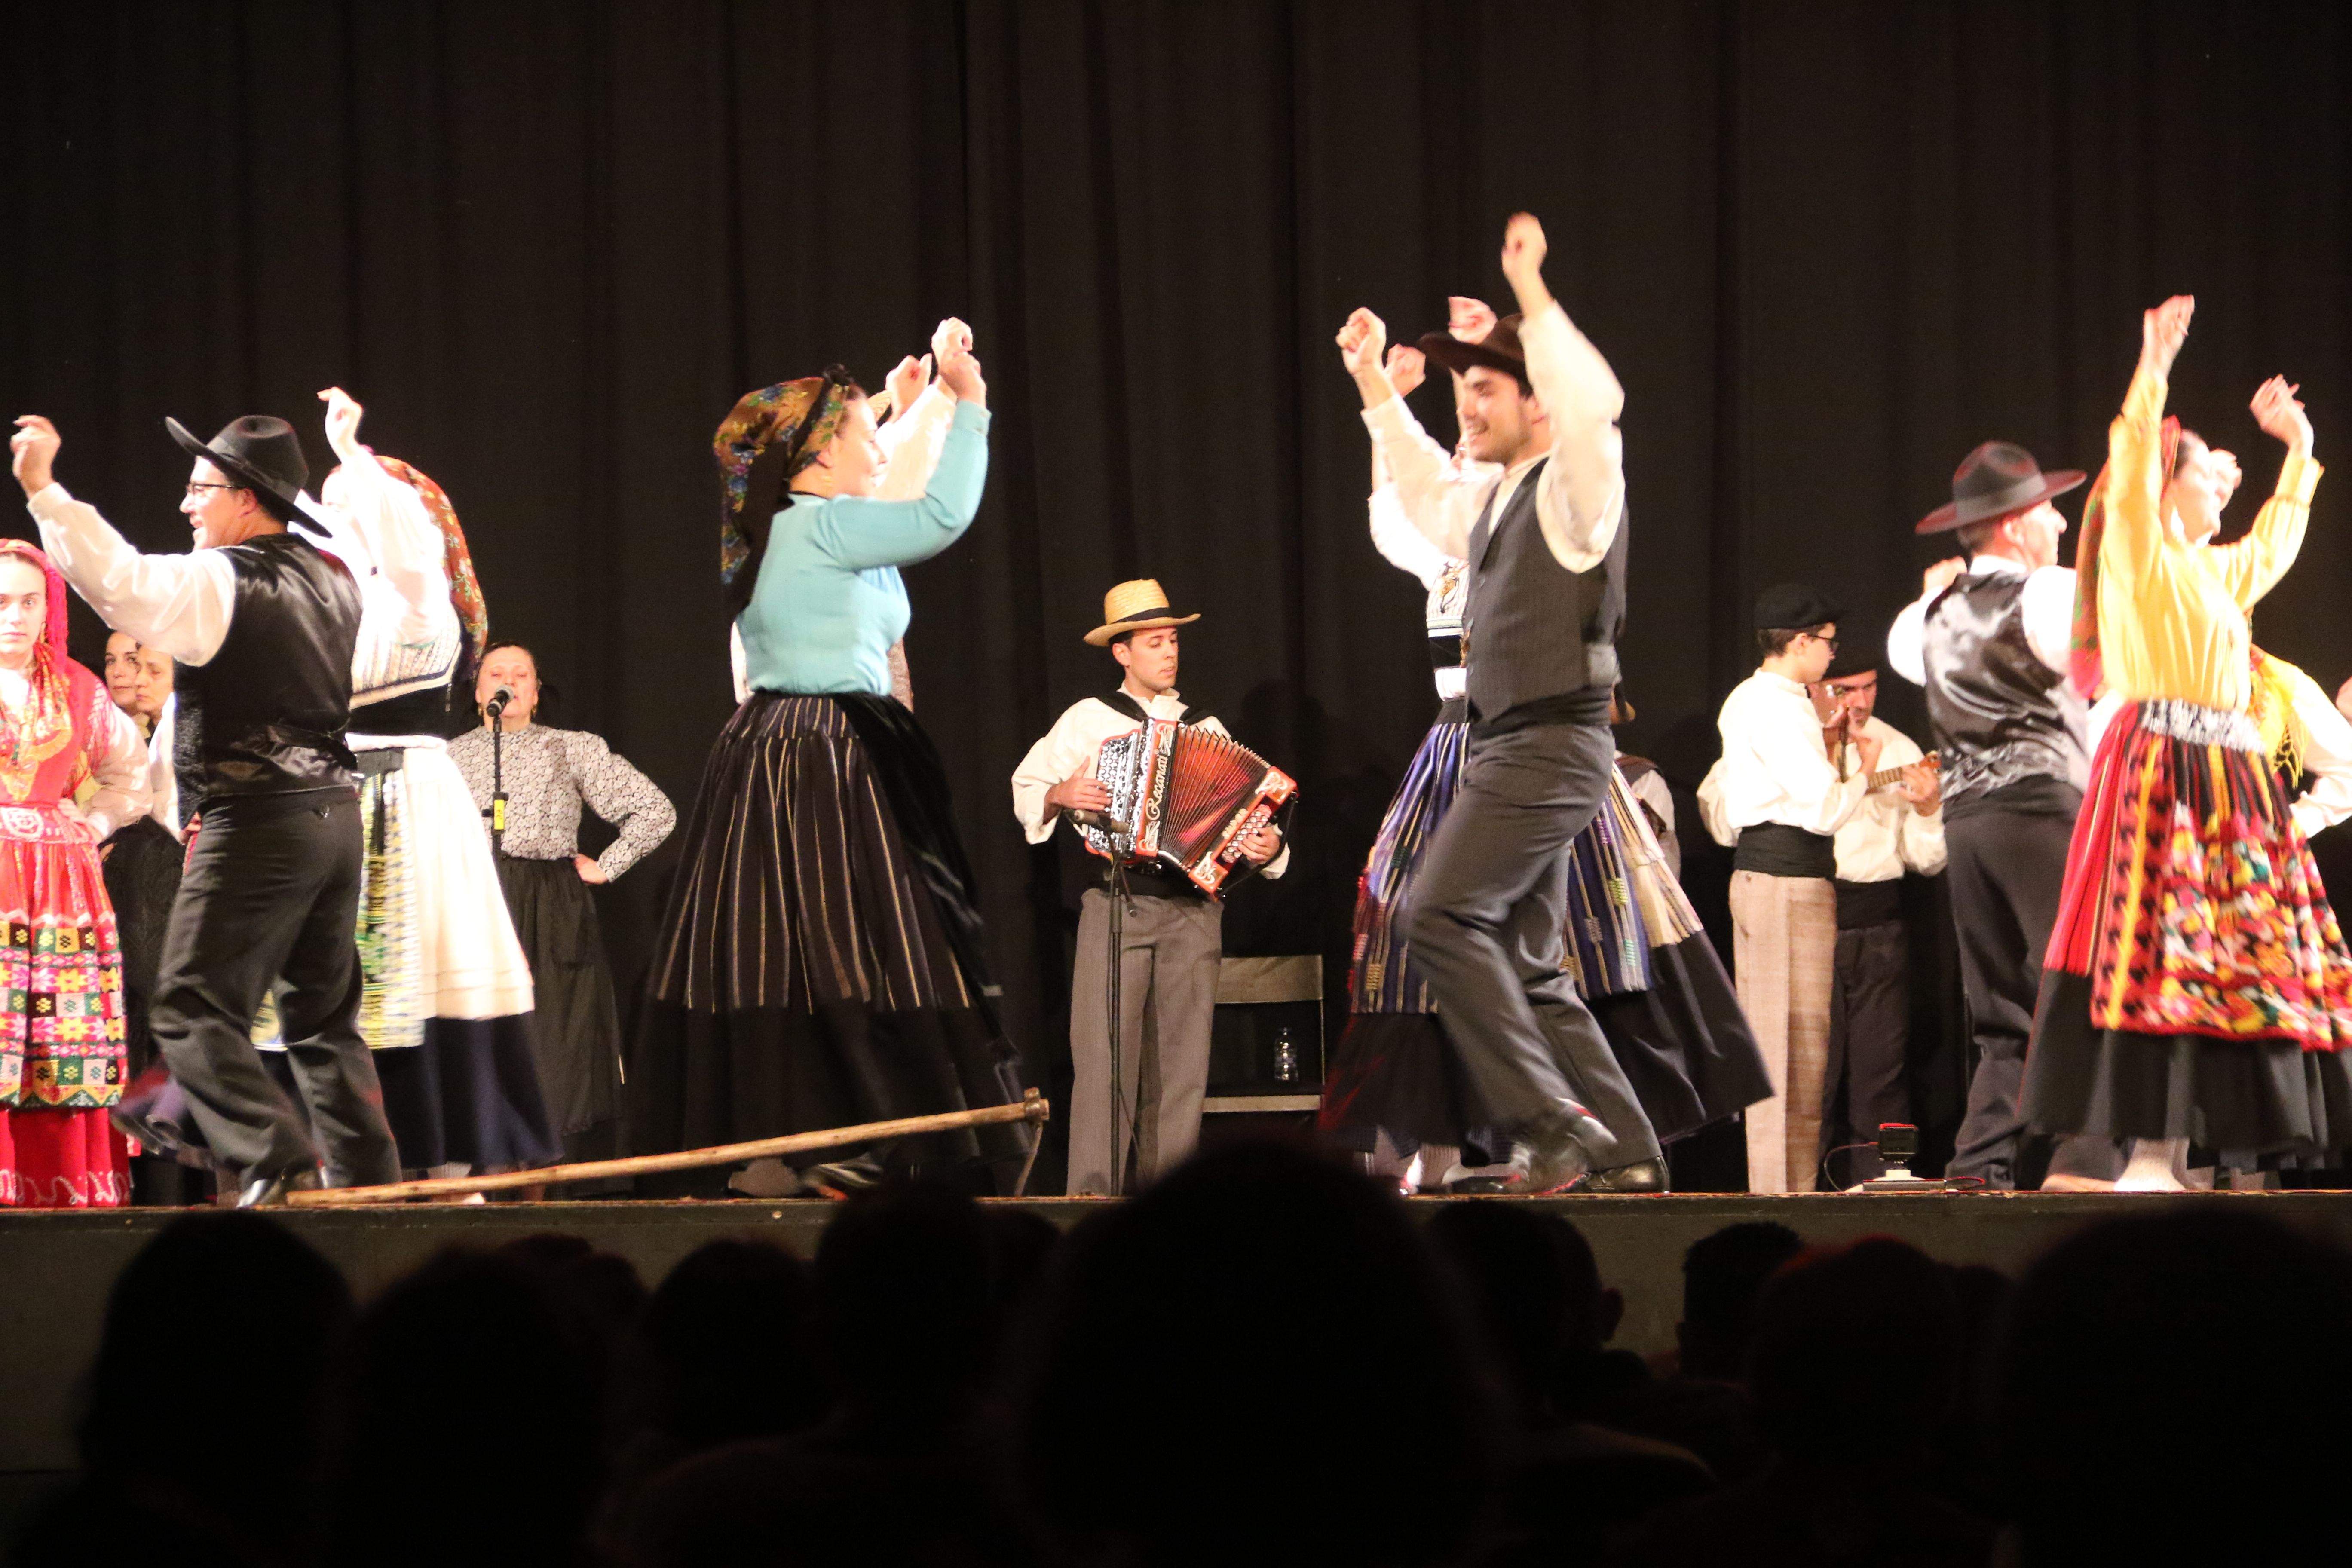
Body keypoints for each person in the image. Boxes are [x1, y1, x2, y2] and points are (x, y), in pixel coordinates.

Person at [633, 323, 1026, 1193]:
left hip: (780, 747)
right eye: (860, 432)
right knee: (858, 942)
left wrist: (896, 401)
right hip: (824, 749)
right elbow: (940, 513)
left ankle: (807, 1138)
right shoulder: (823, 527)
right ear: (818, 453)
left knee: (789, 947)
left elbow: (876, 468)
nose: (876, 447)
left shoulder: (787, 525)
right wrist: (973, 403)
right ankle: (853, 1132)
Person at [1336, 211, 1662, 1194]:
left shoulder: (1577, 491)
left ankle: (1545, 1125)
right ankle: (1631, 1154)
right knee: (1528, 965)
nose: (1464, 405)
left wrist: (1530, 295)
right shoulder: (1492, 499)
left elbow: (1594, 398)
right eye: (1460, 388)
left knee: (1433, 915)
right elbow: (1422, 498)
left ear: (1537, 402)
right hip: (1506, 746)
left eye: (1482, 388)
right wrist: (1373, 392)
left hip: (1546, 744)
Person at [13, 408, 398, 1204]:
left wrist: (44, 492)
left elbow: (120, 582)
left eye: (201, 489)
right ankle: (371, 1182)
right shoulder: (335, 573)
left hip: (259, 816)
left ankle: (274, 1153)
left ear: (249, 499)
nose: (188, 505)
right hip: (332, 815)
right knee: (323, 1017)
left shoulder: (225, 578)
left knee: (189, 1006)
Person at [2025, 295, 2352, 1187]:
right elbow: (2130, 453)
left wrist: (2302, 449)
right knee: (2165, 949)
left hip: (2231, 775)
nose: (2227, 480)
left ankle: (2177, 1153)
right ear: (2166, 484)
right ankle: (2142, 1152)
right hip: (2163, 767)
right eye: (2209, 471)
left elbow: (2279, 541)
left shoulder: (2217, 572)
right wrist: (2155, 362)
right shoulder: (2140, 552)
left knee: (2231, 954)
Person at [275, 389, 554, 1178]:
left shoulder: (421, 600)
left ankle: (438, 1161)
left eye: (352, 508)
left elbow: (402, 546)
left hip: (405, 798)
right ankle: (334, 1156)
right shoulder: (335, 603)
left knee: (415, 975)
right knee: (331, 986)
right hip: (335, 796)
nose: (336, 521)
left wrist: (355, 461)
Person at [1887, 440, 2124, 1191]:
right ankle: (2084, 1157)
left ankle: (1980, 1163)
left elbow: (1909, 659)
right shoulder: (2052, 594)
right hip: (2040, 809)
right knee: (2085, 978)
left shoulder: (1919, 616)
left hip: (1966, 821)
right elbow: (2114, 672)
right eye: (2048, 510)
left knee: (2001, 1009)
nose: (2058, 521)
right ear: (2019, 523)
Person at [1010, 579, 1288, 1196]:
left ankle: (1171, 1210)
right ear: (1122, 653)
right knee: (1105, 1066)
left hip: (1193, 914)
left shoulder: (1206, 728)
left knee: (1181, 1074)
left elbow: (1250, 825)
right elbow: (1026, 788)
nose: (1169, 653)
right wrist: (1062, 794)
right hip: (1117, 902)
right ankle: (1092, 1203)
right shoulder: (1089, 720)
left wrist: (1270, 851)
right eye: (1155, 643)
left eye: (1173, 642)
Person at [1700, 584, 1934, 1191]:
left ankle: (1800, 1189)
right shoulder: (1768, 705)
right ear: (1800, 643)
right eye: (1828, 645)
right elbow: (1823, 809)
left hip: (1807, 885)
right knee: (1782, 1048)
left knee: (1808, 1054)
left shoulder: (1788, 706)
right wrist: (1861, 769)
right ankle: (1780, 1194)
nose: (1833, 656)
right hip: (1779, 882)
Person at [450, 640, 676, 1161]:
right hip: (474, 901)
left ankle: (547, 1171)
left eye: (521, 675)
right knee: (476, 1035)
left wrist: (607, 865)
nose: (507, 682)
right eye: (495, 673)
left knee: (550, 1040)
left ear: (534, 693)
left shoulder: (570, 747)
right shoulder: (448, 758)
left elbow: (654, 811)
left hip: (548, 904)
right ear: (478, 691)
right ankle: (480, 1164)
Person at [0, 541, 147, 1208]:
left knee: (58, 1033)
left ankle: (56, 1181)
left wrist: (96, 824)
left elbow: (130, 772)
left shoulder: (77, 687)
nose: (15, 616)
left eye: (30, 602)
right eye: (2, 601)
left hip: (59, 886)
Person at [1811, 646, 1944, 1182]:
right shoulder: (1784, 737)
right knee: (1807, 1078)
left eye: (1869, 687)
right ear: (1817, 685)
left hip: (1878, 925)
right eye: (1845, 689)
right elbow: (1723, 818)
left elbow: (1927, 861)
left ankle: (1885, 1194)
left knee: (1881, 1080)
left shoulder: (1900, 747)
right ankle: (1795, 1195)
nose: (1860, 702)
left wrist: (1931, 810)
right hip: (1806, 919)